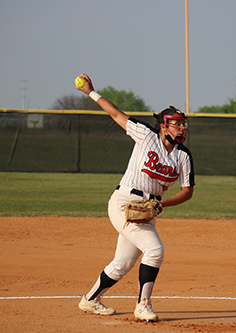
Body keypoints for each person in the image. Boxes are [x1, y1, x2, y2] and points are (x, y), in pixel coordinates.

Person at [75, 74, 195, 322]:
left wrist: (161, 203)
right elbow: (116, 114)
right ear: (163, 124)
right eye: (177, 123)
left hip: (149, 210)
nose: (182, 127)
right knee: (155, 250)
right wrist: (91, 92)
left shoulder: (183, 156)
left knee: (122, 264)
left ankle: (90, 300)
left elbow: (187, 192)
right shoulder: (146, 135)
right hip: (124, 202)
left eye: (184, 124)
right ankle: (143, 305)